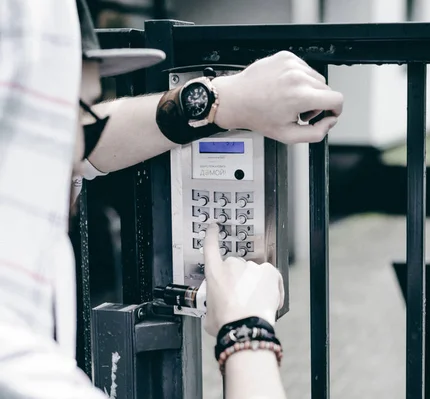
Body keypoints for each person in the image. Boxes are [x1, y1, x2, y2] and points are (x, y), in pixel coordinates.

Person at [0, 0, 343, 398]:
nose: (78, 146)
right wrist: (245, 332)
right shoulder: (21, 369)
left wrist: (220, 102)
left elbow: (85, 150)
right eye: (77, 112)